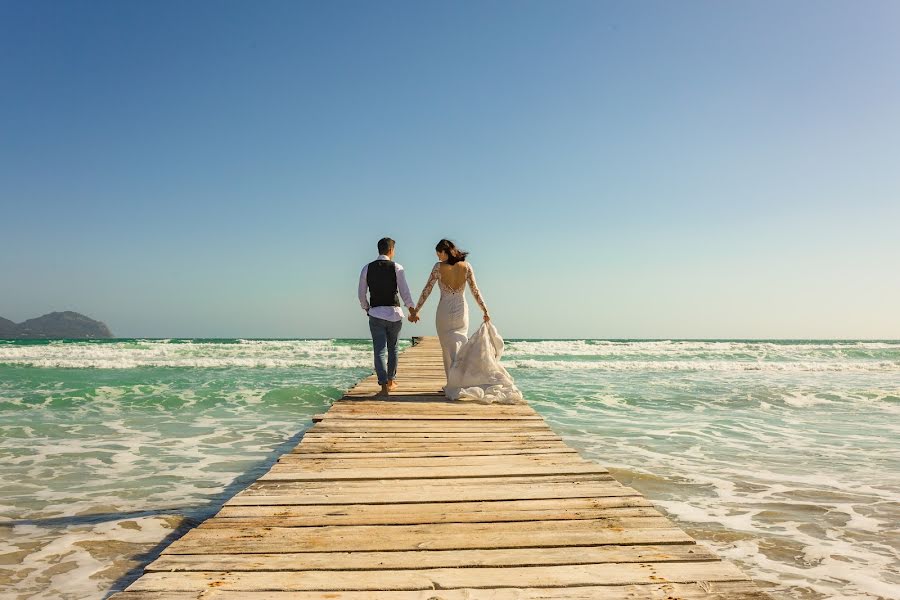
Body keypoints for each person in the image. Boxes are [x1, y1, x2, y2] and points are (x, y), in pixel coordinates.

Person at [411, 239, 522, 403]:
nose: (437, 257)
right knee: (461, 346)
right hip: (462, 310)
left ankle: (453, 384)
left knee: (447, 347)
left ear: (445, 251)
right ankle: (459, 381)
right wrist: (485, 310)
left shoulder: (438, 267)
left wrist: (416, 310)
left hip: (444, 311)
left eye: (438, 253)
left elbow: (427, 290)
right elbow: (475, 290)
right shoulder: (466, 266)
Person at [358, 237, 416, 397]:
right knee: (393, 349)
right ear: (391, 250)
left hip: (376, 313)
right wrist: (412, 310)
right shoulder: (397, 267)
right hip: (394, 314)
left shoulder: (366, 268)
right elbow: (405, 291)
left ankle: (383, 386)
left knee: (379, 351)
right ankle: (391, 381)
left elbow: (361, 292)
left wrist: (366, 308)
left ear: (379, 249)